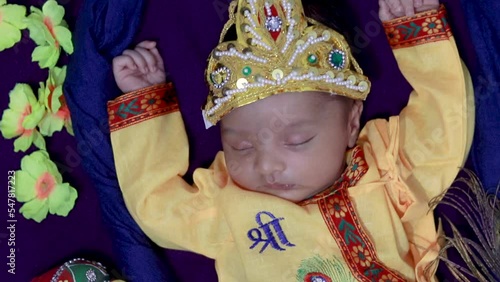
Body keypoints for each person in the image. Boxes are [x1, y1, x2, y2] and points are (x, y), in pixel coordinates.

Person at [107, 0, 474, 280]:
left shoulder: (383, 167)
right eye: (242, 147)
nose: (267, 165)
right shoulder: (227, 203)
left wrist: (417, 35)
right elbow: (156, 205)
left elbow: (443, 127)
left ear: (351, 122)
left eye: (297, 140)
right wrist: (148, 104)